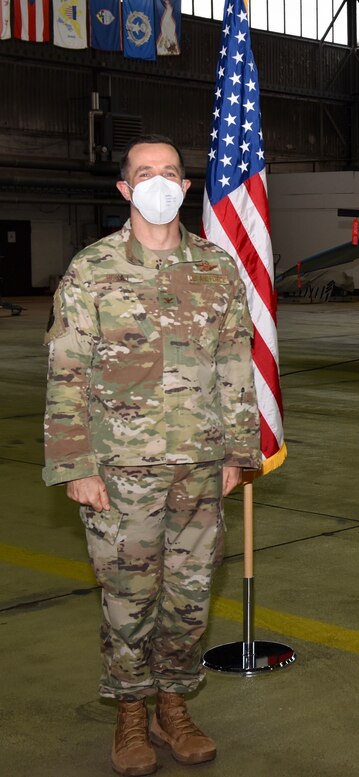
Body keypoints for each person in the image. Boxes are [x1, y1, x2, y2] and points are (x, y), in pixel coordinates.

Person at [43, 135, 260, 776]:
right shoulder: (93, 270)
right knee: (128, 598)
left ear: (186, 186)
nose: (159, 181)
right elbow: (65, 371)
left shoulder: (217, 269)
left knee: (190, 598)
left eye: (170, 172)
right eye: (145, 172)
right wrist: (75, 465)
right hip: (120, 472)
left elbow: (235, 367)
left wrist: (238, 453)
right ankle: (130, 715)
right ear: (124, 189)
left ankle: (174, 707)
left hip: (200, 467)